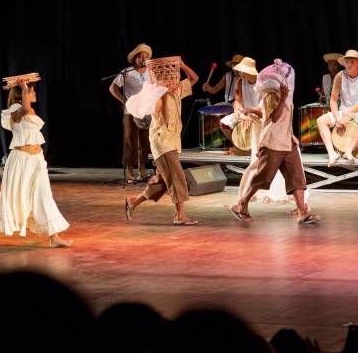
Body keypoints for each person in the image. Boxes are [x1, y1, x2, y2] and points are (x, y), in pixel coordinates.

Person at [229, 59, 319, 224]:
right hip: (273, 141)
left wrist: (253, 109)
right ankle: (242, 203)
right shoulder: (272, 96)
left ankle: (302, 213)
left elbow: (268, 113)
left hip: (287, 140)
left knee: (297, 178)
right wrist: (283, 97)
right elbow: (275, 117)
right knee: (262, 178)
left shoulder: (285, 96)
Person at [0, 78, 71, 247]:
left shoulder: (29, 111)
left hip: (37, 161)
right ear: (22, 93)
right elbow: (24, 108)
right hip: (21, 162)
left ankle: (54, 238)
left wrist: (24, 88)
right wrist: (24, 86)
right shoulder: (16, 109)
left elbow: (27, 109)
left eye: (30, 90)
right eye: (32, 91)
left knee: (43, 196)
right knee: (14, 198)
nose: (34, 93)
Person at [125, 58, 200, 225]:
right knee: (176, 176)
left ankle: (134, 201)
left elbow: (194, 79)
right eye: (169, 79)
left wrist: (183, 65)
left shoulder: (179, 90)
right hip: (162, 142)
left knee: (162, 181)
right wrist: (163, 92)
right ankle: (180, 215)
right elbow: (159, 112)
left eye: (174, 77)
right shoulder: (156, 95)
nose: (173, 81)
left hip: (172, 141)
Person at [317, 50, 358, 166]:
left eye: (351, 62)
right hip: (344, 110)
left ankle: (349, 150)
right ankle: (332, 153)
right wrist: (337, 119)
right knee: (320, 121)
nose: (348, 64)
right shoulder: (339, 76)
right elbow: (333, 99)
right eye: (346, 62)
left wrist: (349, 111)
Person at [108, 43, 152, 183]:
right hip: (131, 111)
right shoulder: (127, 72)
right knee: (130, 140)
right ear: (135, 58)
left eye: (145, 56)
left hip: (146, 110)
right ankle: (130, 172)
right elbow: (112, 88)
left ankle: (142, 171)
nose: (143, 58)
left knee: (145, 142)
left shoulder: (151, 72)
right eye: (140, 56)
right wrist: (123, 100)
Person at [218, 57, 261, 147]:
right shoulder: (240, 81)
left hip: (259, 114)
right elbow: (237, 101)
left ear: (249, 71)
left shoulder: (262, 83)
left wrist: (251, 113)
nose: (239, 73)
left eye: (242, 70)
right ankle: (239, 146)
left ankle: (257, 147)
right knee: (224, 124)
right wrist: (237, 111)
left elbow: (264, 105)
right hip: (245, 113)